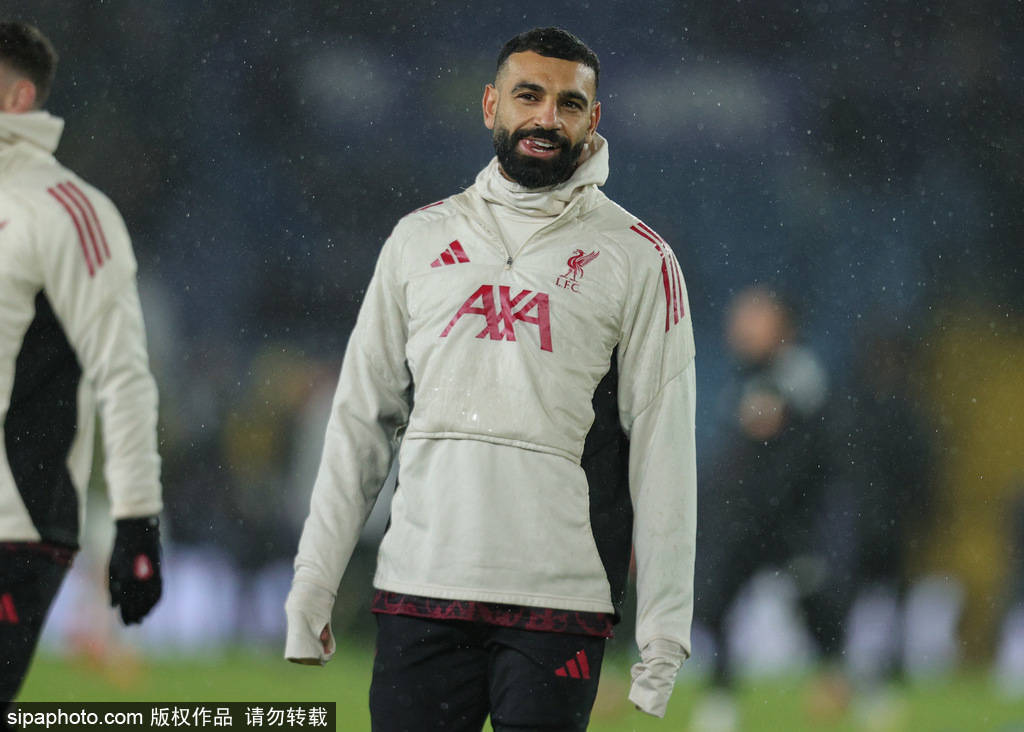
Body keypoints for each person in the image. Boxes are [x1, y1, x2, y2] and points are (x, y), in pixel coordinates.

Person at [285, 27, 697, 729]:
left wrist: (664, 635)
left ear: (593, 119)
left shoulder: (638, 260)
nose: (547, 118)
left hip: (560, 601)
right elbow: (361, 423)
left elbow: (664, 454)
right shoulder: (417, 240)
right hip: (421, 584)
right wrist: (314, 583)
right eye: (528, 96)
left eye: (569, 104)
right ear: (489, 105)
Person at [0, 21, 163, 705]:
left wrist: (137, 519)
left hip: (15, 523)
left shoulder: (69, 212)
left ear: (18, 97)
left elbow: (122, 373)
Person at [692, 285, 851, 730]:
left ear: (782, 326)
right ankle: (721, 694)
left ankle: (841, 679)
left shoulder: (797, 373)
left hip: (789, 517)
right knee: (714, 599)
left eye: (753, 319)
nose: (740, 328)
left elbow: (769, 428)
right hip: (746, 516)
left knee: (813, 602)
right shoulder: (746, 375)